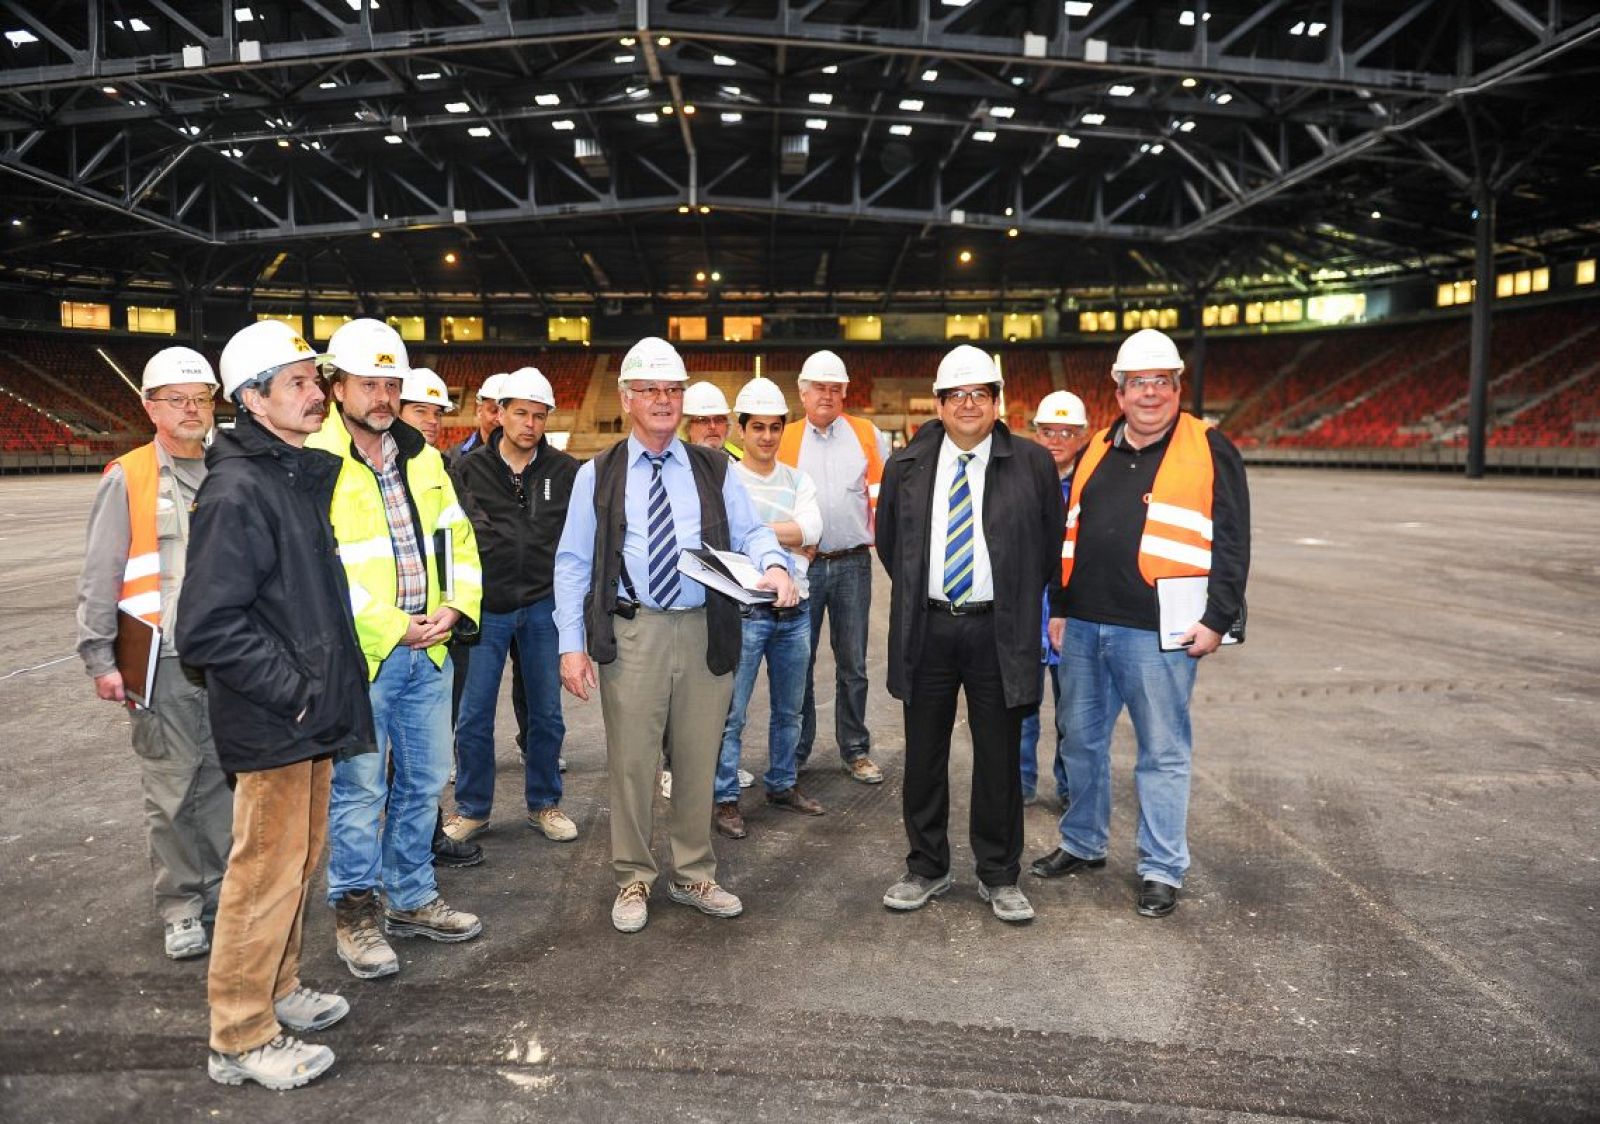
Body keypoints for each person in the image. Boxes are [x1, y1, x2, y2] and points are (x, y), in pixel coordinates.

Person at [176, 319, 374, 1090]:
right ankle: (239, 1034)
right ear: (252, 399)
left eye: (314, 379)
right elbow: (207, 627)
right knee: (263, 875)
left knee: (295, 867)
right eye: (296, 381)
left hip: (306, 716)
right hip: (277, 720)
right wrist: (295, 693)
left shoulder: (288, 475)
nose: (315, 392)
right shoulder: (239, 490)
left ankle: (279, 989)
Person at [554, 336, 797, 934]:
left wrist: (774, 565)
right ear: (627, 398)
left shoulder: (715, 467)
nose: (663, 401)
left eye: (672, 390)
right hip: (632, 632)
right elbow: (573, 563)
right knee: (633, 761)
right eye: (651, 390)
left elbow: (752, 531)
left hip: (704, 629)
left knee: (697, 757)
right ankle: (633, 876)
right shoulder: (598, 473)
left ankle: (693, 875)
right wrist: (570, 643)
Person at [1029, 329, 1250, 919]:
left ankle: (1161, 866)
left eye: (1161, 382)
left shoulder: (1209, 445)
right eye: (1138, 384)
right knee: (1080, 742)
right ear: (1119, 391)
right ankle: (1082, 842)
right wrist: (1062, 606)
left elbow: (1232, 538)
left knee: (1162, 751)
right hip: (1085, 625)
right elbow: (1069, 531)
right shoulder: (1098, 444)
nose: (1150, 394)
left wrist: (1218, 617)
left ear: (1176, 387)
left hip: (1163, 633)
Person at [307, 319, 484, 982]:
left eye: (392, 383)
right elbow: (320, 569)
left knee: (421, 781)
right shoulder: (315, 460)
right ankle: (354, 913)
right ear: (337, 386)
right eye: (369, 382)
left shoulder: (422, 456)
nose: (383, 395)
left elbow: (457, 543)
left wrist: (456, 607)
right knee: (357, 790)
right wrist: (390, 627)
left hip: (430, 650)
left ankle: (410, 898)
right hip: (366, 657)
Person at [876, 345, 1064, 924]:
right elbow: (889, 542)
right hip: (929, 626)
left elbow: (1048, 545)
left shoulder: (1031, 463)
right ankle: (927, 867)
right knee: (925, 755)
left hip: (997, 629)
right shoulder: (906, 464)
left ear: (997, 403)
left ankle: (999, 874)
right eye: (956, 395)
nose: (967, 404)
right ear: (937, 404)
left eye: (979, 394)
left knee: (999, 757)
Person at [75, 346, 232, 961]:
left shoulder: (228, 468)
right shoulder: (130, 475)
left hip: (226, 657)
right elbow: (101, 572)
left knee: (222, 781)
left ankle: (220, 890)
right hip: (159, 659)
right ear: (150, 407)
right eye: (177, 400)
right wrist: (100, 658)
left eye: (201, 399)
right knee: (171, 787)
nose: (192, 410)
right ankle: (181, 905)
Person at [448, 367, 580, 846]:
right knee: (474, 714)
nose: (529, 423)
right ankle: (473, 809)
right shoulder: (466, 470)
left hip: (544, 605)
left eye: (539, 416)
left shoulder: (567, 472)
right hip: (486, 606)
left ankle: (544, 803)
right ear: (499, 413)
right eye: (520, 412)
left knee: (546, 712)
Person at [712, 376, 825, 839]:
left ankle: (782, 783)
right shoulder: (725, 481)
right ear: (741, 430)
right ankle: (724, 797)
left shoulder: (798, 479)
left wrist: (753, 531)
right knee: (732, 712)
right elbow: (722, 538)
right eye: (757, 426)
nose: (766, 436)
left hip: (793, 611)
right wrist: (788, 532)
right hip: (743, 613)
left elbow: (814, 530)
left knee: (790, 708)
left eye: (774, 427)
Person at [777, 349, 889, 785]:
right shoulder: (784, 438)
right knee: (797, 661)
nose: (826, 394)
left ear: (845, 391)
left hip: (852, 564)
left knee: (853, 664)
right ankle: (797, 749)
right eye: (818, 387)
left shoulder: (867, 434)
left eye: (834, 387)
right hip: (800, 565)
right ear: (802, 393)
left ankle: (855, 749)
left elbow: (885, 494)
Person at [1019, 390, 1090, 806]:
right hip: (1027, 615)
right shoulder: (1018, 482)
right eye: (1048, 431)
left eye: (1066, 432)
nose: (1056, 440)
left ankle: (1069, 790)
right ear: (1036, 433)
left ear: (1081, 436)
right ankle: (1019, 786)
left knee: (1075, 716)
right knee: (1022, 711)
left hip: (1074, 616)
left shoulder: (1092, 488)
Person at [450, 371, 505, 464]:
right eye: (494, 411)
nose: (500, 419)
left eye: (505, 413)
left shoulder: (532, 455)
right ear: (479, 411)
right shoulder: (457, 457)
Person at [683, 380, 743, 459]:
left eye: (719, 419)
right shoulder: (673, 466)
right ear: (687, 427)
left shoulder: (736, 465)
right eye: (703, 420)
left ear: (727, 426)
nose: (712, 426)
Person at [398, 366, 452, 447]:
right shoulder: (376, 458)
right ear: (397, 412)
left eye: (438, 414)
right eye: (420, 411)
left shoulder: (437, 459)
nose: (433, 421)